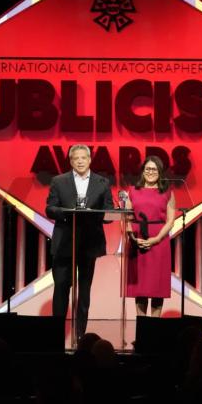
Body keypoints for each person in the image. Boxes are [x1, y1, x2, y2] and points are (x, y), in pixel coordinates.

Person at [46, 144, 114, 338]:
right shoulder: (59, 181)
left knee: (84, 292)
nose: (80, 161)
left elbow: (108, 211)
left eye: (84, 158)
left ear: (90, 159)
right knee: (61, 287)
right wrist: (67, 213)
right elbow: (50, 208)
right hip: (64, 243)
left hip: (89, 243)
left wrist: (94, 214)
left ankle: (80, 336)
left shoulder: (102, 182)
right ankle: (56, 336)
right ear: (71, 161)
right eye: (76, 158)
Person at [126, 156, 175, 317]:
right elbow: (127, 218)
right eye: (147, 169)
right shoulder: (132, 191)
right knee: (141, 289)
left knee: (157, 288)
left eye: (154, 169)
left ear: (160, 172)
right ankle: (142, 332)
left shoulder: (167, 192)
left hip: (159, 242)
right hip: (137, 241)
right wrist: (133, 237)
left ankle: (154, 332)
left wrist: (156, 239)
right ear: (142, 171)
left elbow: (170, 221)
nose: (150, 172)